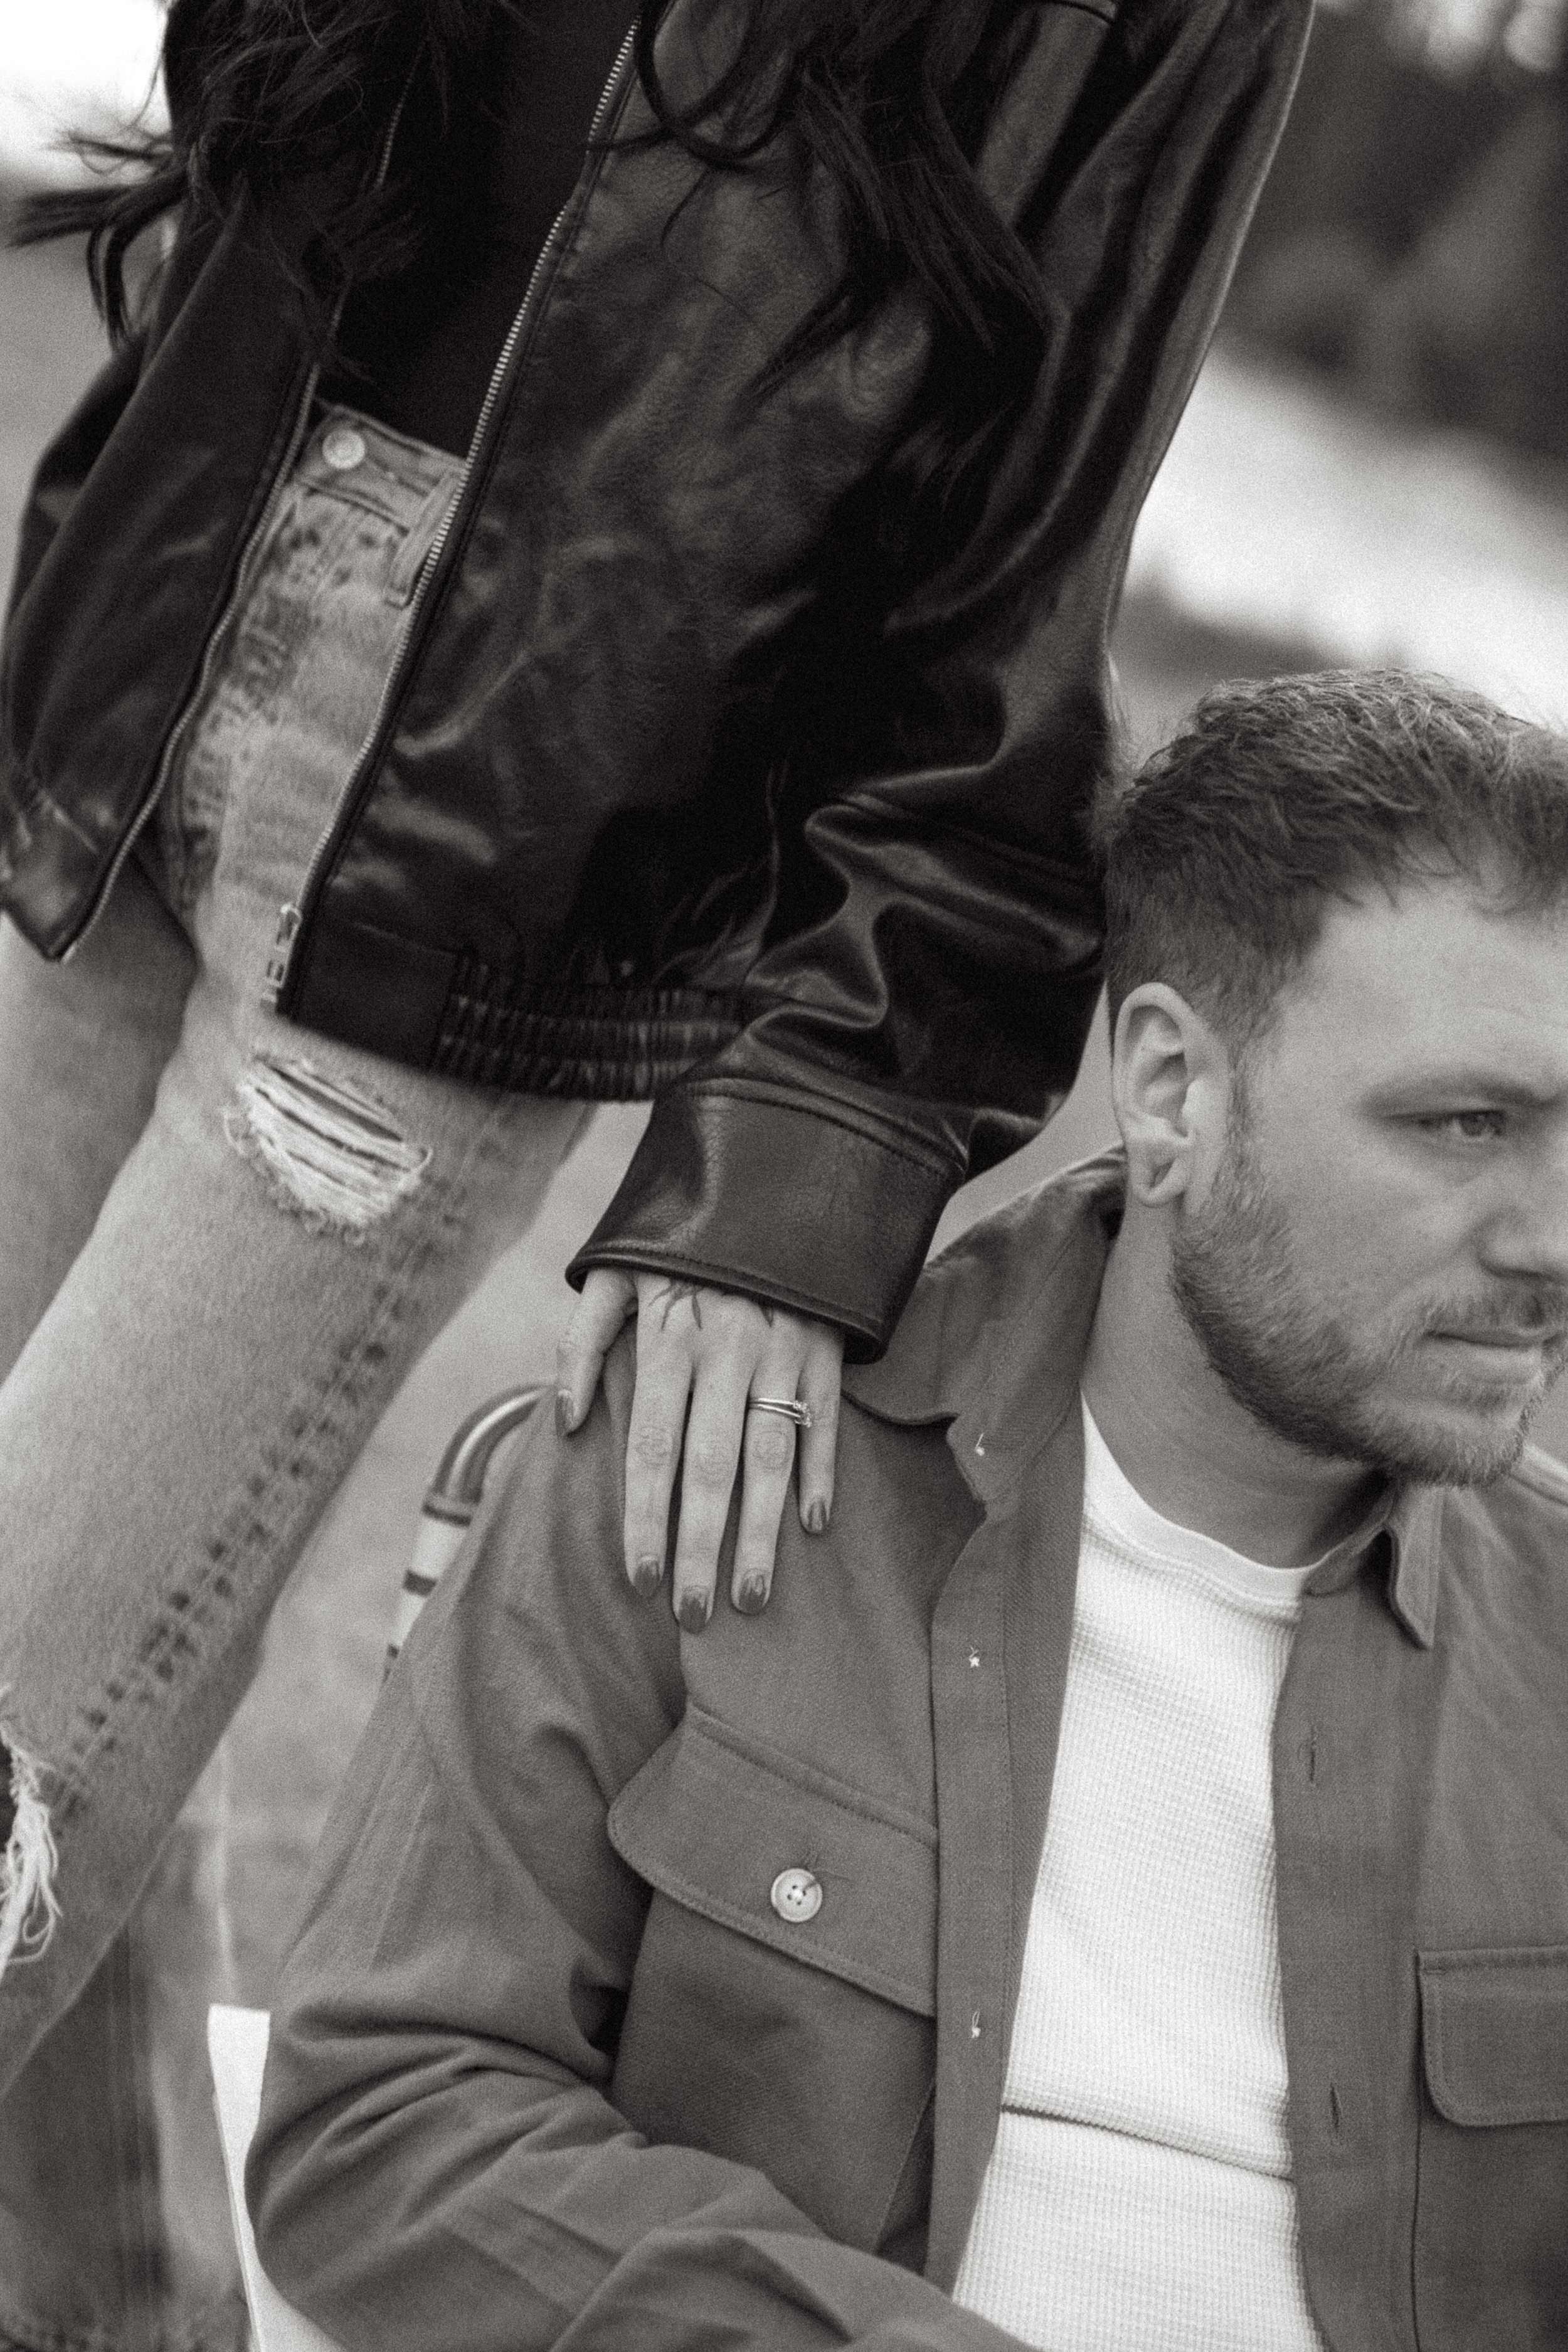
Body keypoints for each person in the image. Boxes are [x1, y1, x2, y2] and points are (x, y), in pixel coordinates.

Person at [0, 0, 1312, 2338]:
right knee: (85, 1671)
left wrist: (805, 1152)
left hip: (477, 838)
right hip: (154, 649)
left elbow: (1022, 572)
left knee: (24, 1714)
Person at [250, 669, 1568, 2351]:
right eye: (1463, 1124)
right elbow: (382, 2116)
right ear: (1174, 1091)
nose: (1550, 1239)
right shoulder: (714, 1460)